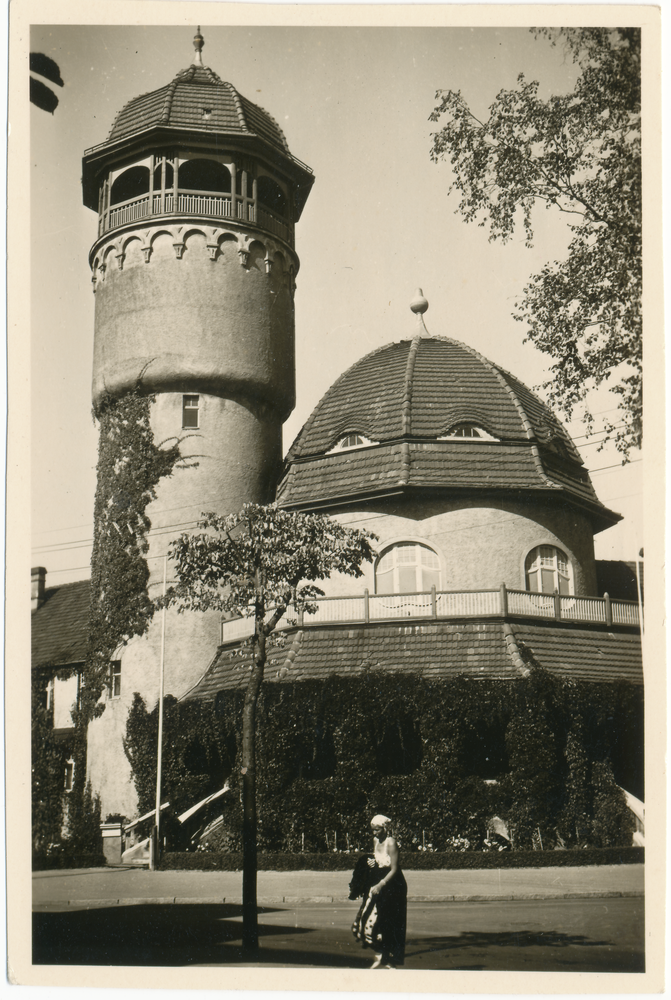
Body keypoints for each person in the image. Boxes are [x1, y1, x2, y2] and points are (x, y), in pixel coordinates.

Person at [350, 814, 407, 968]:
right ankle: (381, 953)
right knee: (370, 918)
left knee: (390, 920)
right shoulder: (375, 841)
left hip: (393, 884)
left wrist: (381, 885)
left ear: (385, 828)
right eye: (373, 830)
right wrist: (370, 862)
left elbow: (394, 869)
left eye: (377, 830)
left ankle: (391, 959)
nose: (374, 833)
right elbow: (378, 861)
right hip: (378, 881)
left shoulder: (391, 843)